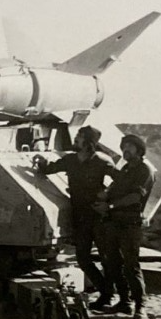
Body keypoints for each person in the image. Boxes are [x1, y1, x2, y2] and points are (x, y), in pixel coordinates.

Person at [33, 126, 119, 308]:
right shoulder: (70, 160)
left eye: (80, 136)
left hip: (99, 217)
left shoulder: (103, 162)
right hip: (80, 217)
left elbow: (120, 181)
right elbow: (49, 169)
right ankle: (106, 292)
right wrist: (40, 161)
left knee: (107, 258)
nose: (76, 139)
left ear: (88, 142)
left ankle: (121, 298)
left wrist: (107, 196)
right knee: (83, 258)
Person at [96, 134, 156, 319]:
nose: (126, 150)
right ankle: (124, 301)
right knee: (113, 263)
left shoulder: (145, 170)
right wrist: (104, 195)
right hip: (115, 222)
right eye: (124, 147)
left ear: (139, 149)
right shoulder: (126, 168)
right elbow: (114, 187)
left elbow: (136, 197)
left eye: (130, 147)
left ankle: (140, 307)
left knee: (131, 266)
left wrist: (111, 206)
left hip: (130, 224)